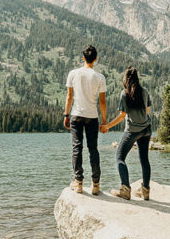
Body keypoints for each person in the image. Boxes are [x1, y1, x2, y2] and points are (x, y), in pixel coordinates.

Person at [102, 66, 152, 201]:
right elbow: (147, 111)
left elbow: (121, 116)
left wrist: (107, 126)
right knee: (144, 159)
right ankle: (145, 191)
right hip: (146, 129)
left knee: (119, 157)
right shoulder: (145, 91)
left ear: (125, 79)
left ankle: (125, 189)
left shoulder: (124, 94)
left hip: (132, 131)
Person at [64, 44, 107, 195]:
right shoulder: (100, 77)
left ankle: (78, 182)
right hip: (92, 116)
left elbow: (69, 97)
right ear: (95, 59)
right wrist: (104, 121)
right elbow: (102, 101)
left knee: (77, 148)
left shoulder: (73, 73)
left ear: (83, 58)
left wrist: (66, 114)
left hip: (76, 114)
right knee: (93, 149)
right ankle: (95, 184)